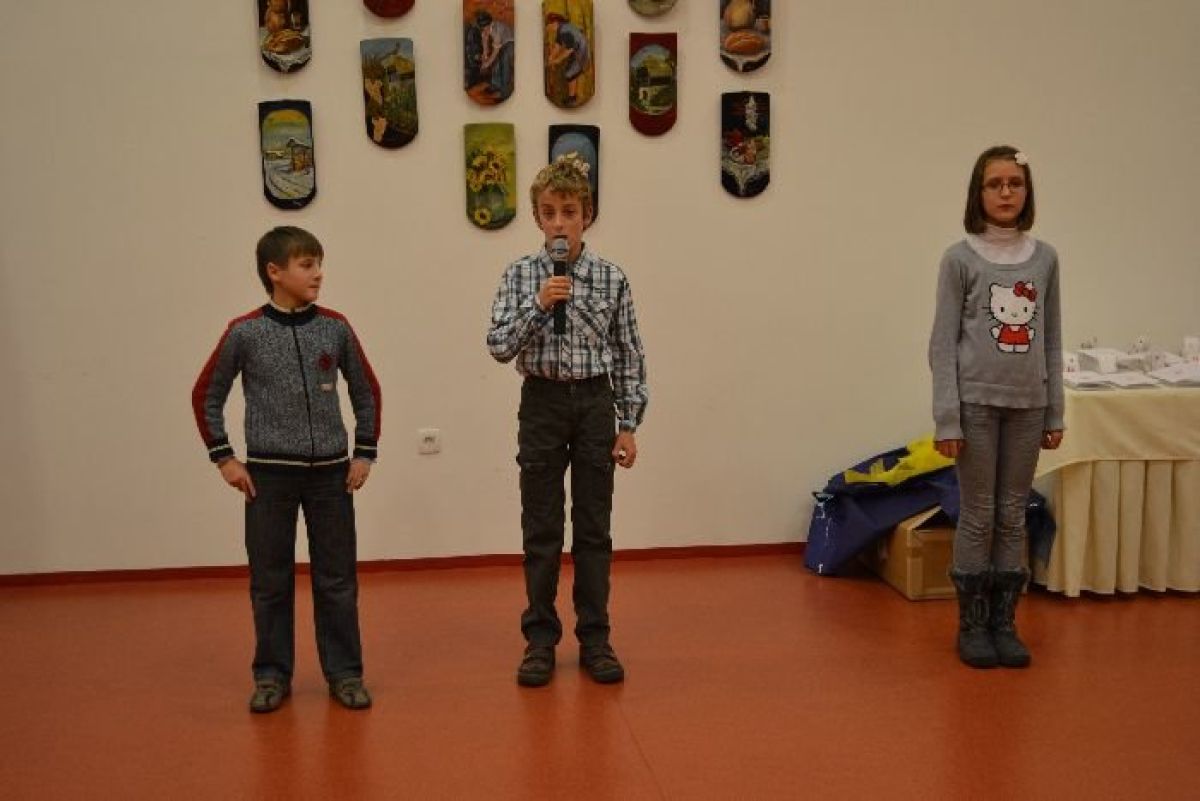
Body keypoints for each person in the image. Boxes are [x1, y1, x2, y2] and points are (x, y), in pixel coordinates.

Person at [192, 226, 382, 711]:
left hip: (331, 477)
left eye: (319, 264)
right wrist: (224, 458)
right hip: (269, 478)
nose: (318, 274)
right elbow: (206, 394)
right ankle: (271, 676)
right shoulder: (245, 332)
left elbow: (366, 392)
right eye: (306, 265)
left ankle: (345, 673)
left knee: (337, 581)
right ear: (274, 272)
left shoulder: (336, 328)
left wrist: (364, 452)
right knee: (270, 581)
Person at [486, 154, 648, 687]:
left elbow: (627, 353)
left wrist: (628, 424)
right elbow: (498, 346)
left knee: (594, 528)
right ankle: (539, 640)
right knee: (541, 527)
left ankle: (595, 639)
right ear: (537, 217)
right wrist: (539, 304)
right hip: (542, 404)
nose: (559, 223)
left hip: (595, 404)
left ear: (587, 216)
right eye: (549, 212)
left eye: (569, 212)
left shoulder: (611, 277)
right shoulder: (520, 275)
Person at [928, 146, 1065, 669]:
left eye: (1015, 183)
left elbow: (1051, 338)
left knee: (1013, 514)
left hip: (1028, 407)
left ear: (1027, 191)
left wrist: (1054, 411)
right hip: (976, 406)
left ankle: (1004, 623)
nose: (1006, 193)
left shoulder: (1045, 259)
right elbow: (942, 344)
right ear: (978, 192)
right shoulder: (959, 259)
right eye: (995, 184)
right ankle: (972, 624)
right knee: (979, 513)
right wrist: (948, 417)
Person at [545, 12, 590, 106]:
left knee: (570, 73)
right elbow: (557, 46)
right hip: (577, 49)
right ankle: (572, 97)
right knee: (570, 72)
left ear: (555, 22)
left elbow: (569, 49)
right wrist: (551, 57)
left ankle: (572, 98)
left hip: (580, 50)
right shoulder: (561, 29)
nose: (548, 28)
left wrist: (557, 60)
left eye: (549, 25)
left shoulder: (564, 30)